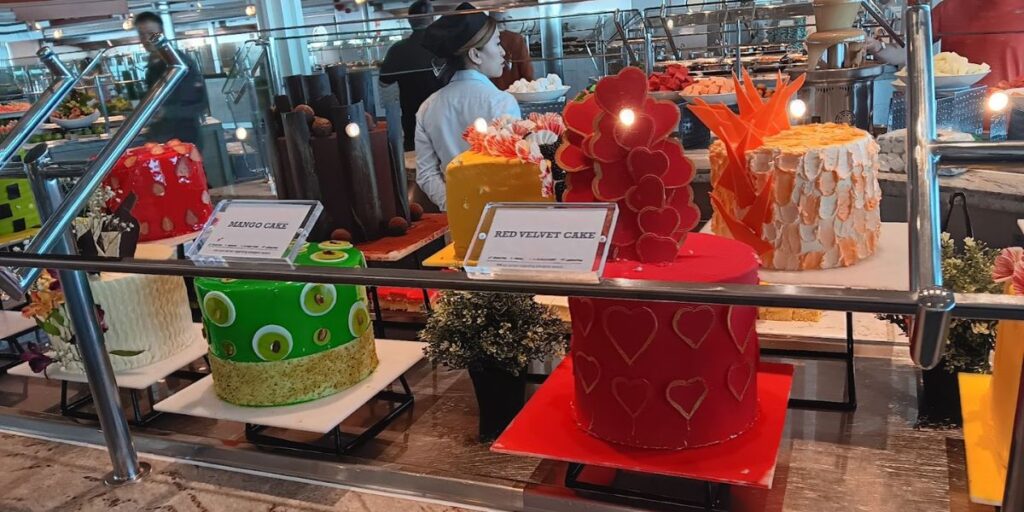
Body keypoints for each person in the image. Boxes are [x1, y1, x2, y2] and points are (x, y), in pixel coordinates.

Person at [415, 3, 520, 211]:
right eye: (497, 44)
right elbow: (513, 170)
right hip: (500, 216)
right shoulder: (501, 101)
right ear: (475, 55)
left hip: (456, 221)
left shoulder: (428, 107)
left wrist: (456, 205)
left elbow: (425, 174)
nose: (503, 52)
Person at [866, 0, 1023, 87]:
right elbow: (909, 52)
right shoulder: (950, 7)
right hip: (955, 113)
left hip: (1014, 112)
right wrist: (877, 47)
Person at [134, 11, 208, 145]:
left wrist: (165, 112)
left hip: (183, 139)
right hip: (161, 138)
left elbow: (199, 104)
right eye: (141, 34)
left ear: (161, 33)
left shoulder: (181, 64)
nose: (146, 39)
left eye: (151, 33)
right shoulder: (153, 66)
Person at [379, 0, 444, 151]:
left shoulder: (397, 50)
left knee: (415, 162)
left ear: (409, 21)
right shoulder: (444, 46)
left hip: (412, 119)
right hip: (443, 117)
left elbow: (384, 82)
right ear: (432, 19)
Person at [490, 12, 534, 91]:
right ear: (504, 21)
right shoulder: (516, 39)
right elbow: (527, 71)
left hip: (492, 92)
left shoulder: (485, 41)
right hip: (516, 92)